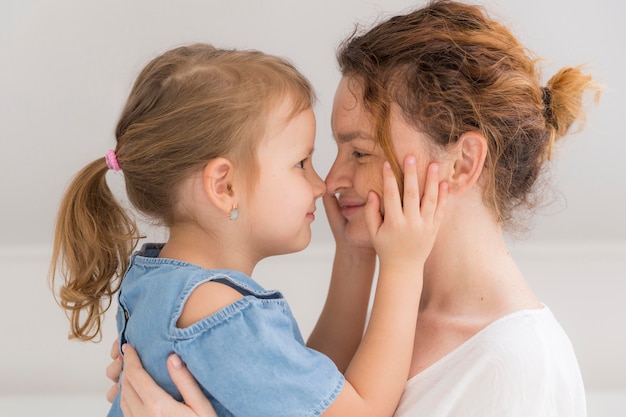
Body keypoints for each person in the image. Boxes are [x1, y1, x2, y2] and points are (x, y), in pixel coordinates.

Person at [106, 1, 601, 416]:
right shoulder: (392, 323)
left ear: (461, 163)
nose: (330, 182)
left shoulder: (520, 366)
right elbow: (316, 385)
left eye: (360, 152)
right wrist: (356, 258)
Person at [50, 42, 448, 417]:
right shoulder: (221, 314)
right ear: (225, 186)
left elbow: (315, 390)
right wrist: (403, 266)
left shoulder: (156, 285)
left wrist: (355, 257)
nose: (322, 184)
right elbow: (358, 411)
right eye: (301, 163)